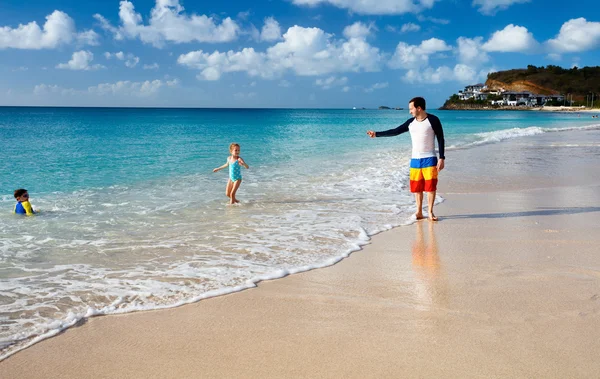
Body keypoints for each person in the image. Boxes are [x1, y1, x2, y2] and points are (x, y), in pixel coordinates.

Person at [367, 97, 445, 221]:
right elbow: (395, 131)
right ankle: (419, 212)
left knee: (430, 187)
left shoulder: (433, 120)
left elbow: (440, 138)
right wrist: (376, 134)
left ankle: (430, 212)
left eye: (411, 109)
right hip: (415, 159)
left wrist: (442, 158)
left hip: (429, 158)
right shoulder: (410, 123)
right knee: (417, 187)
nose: (410, 111)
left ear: (419, 108)